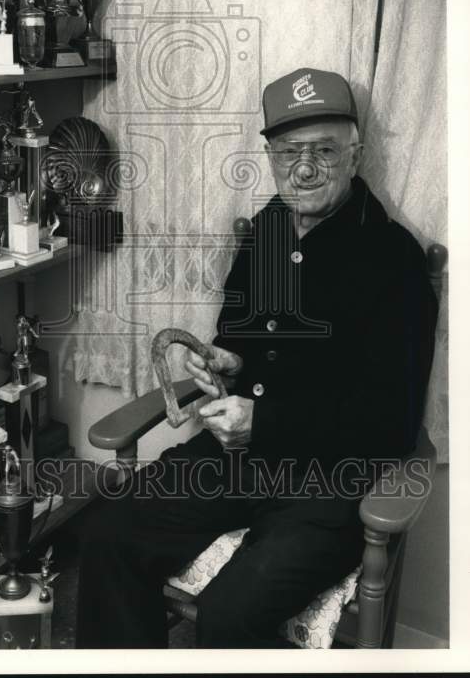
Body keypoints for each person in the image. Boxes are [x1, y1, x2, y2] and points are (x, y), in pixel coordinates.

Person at [76, 67, 438, 649]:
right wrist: (225, 361)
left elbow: (389, 423)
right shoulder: (267, 228)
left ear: (356, 154)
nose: (304, 167)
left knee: (229, 614)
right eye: (290, 150)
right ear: (270, 155)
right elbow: (240, 337)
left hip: (329, 486)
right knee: (106, 534)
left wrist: (263, 421)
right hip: (235, 461)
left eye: (324, 149)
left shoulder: (394, 260)